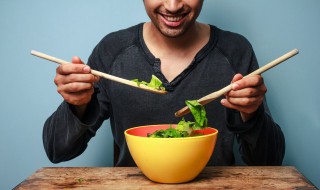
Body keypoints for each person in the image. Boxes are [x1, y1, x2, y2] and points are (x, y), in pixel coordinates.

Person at [43, 0, 285, 166]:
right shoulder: (113, 50)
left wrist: (251, 114)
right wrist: (78, 105)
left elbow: (269, 162)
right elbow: (57, 151)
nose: (172, 6)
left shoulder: (235, 51)